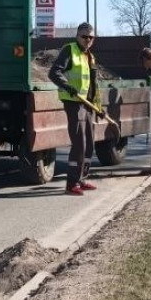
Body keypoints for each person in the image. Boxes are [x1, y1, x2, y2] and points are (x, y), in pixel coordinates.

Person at [49, 22, 101, 195]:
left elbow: (93, 86)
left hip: (86, 104)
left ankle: (82, 179)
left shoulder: (89, 56)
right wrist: (67, 86)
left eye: (91, 37)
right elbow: (54, 72)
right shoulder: (69, 50)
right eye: (84, 36)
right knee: (79, 143)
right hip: (73, 102)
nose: (87, 40)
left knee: (89, 144)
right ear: (77, 36)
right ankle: (71, 184)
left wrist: (99, 108)